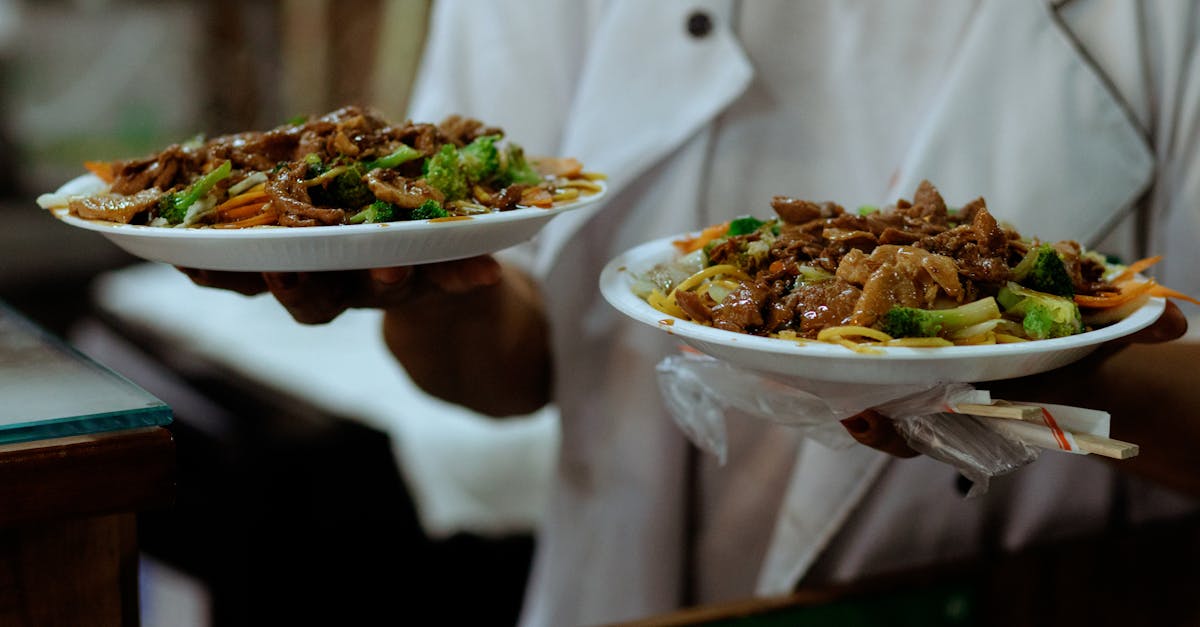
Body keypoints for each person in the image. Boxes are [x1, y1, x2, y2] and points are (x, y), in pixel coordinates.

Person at [183, 1, 1200, 624]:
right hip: (629, 595)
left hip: (1035, 594)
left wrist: (1040, 369)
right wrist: (408, 269)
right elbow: (505, 371)